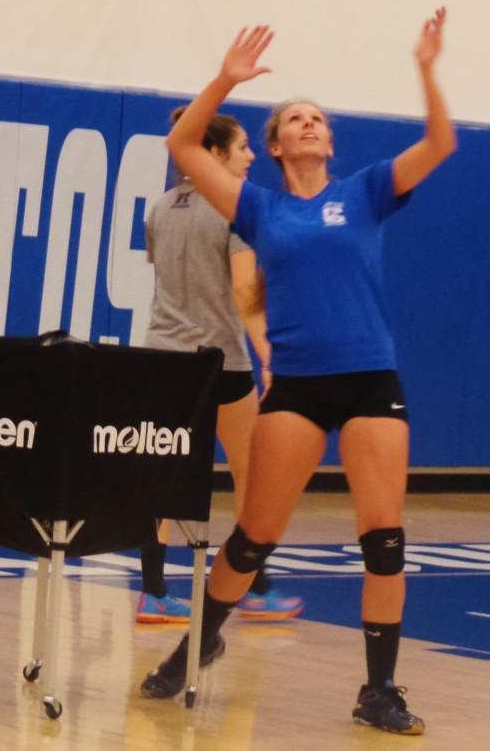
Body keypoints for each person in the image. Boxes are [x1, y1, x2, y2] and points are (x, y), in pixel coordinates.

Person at [140, 11, 456, 736]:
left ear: (328, 141)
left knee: (384, 538)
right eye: (294, 119)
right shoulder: (257, 207)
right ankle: (200, 641)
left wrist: (427, 66)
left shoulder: (368, 191)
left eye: (317, 119)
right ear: (276, 144)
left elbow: (440, 143)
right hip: (299, 389)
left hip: (371, 377)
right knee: (254, 535)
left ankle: (378, 690)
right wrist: (227, 77)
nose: (308, 125)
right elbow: (183, 142)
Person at [137, 107, 303, 624]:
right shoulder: (236, 209)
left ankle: (153, 591)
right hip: (220, 361)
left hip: (162, 357)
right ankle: (253, 586)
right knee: (253, 475)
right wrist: (271, 353)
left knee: (161, 477)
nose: (252, 155)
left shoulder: (161, 208)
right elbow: (243, 288)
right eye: (242, 147)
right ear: (214, 153)